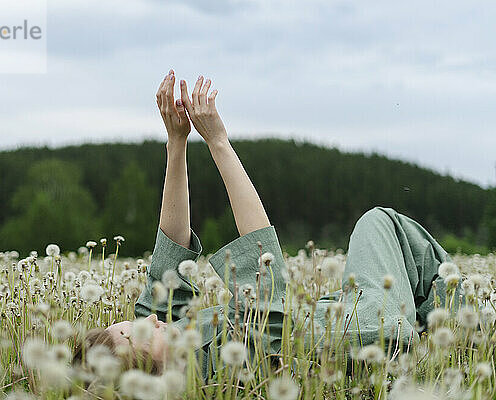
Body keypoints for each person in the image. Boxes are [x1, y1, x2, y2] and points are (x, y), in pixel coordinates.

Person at [74, 69, 456, 378]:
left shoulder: (171, 337)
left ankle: (441, 324)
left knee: (415, 261)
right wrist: (219, 142)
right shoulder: (220, 368)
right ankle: (444, 329)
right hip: (368, 330)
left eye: (126, 324)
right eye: (135, 335)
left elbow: (170, 254)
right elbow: (261, 259)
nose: (150, 321)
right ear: (146, 374)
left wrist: (176, 144)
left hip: (343, 311)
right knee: (382, 224)